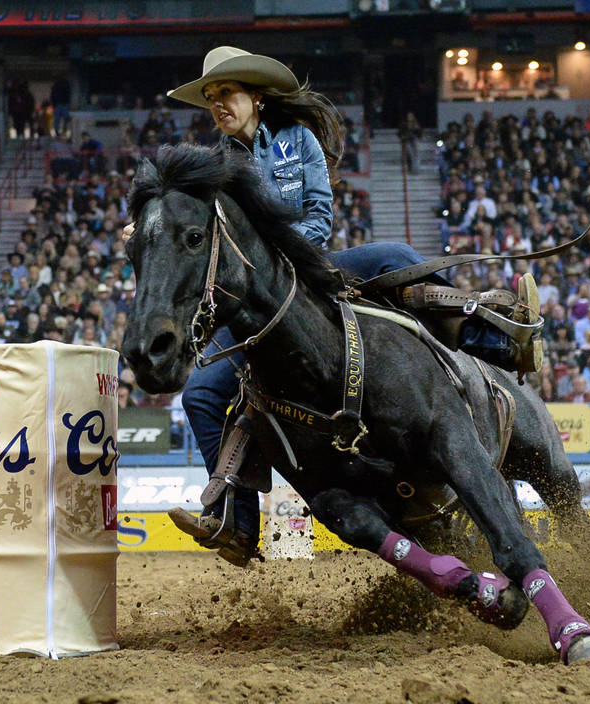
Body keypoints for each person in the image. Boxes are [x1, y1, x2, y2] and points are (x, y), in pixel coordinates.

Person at [162, 46, 543, 566]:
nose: (217, 105)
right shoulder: (217, 166)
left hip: (309, 270)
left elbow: (319, 216)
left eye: (225, 93)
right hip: (255, 299)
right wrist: (150, 225)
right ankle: (237, 522)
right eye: (210, 98)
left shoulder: (298, 141)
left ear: (255, 95)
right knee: (202, 396)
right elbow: (189, 223)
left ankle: (496, 341)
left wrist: (279, 259)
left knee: (397, 257)